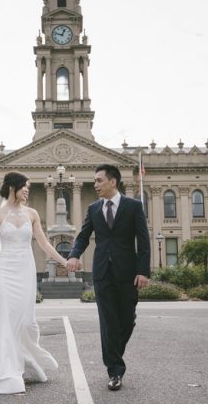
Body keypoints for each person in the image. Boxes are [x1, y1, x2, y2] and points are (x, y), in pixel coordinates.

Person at [0, 171, 69, 394]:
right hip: (6, 271)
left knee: (27, 321)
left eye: (29, 187)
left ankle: (28, 361)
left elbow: (44, 243)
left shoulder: (32, 213)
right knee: (8, 319)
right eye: (24, 186)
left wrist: (64, 262)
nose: (28, 190)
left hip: (25, 270)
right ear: (13, 187)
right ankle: (10, 367)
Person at [66, 164, 150, 391]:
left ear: (113, 182)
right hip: (102, 272)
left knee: (127, 320)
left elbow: (143, 241)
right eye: (94, 181)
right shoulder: (94, 209)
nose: (95, 185)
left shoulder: (133, 206)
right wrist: (74, 255)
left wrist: (143, 271)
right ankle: (114, 370)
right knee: (108, 322)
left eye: (99, 180)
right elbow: (83, 237)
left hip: (128, 273)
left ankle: (114, 355)